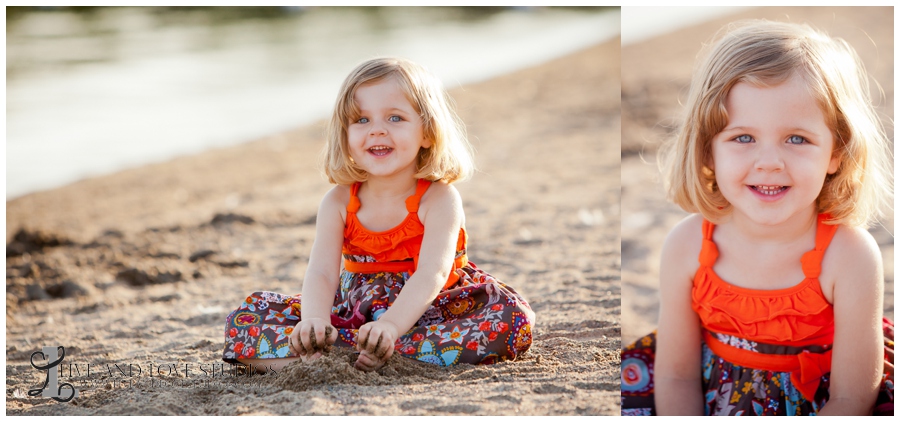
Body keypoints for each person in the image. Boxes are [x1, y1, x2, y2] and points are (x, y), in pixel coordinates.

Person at [620, 20, 893, 415]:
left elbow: (852, 398)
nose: (769, 163)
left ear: (836, 152)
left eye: (797, 138)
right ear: (708, 150)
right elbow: (676, 377)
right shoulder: (687, 245)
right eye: (743, 138)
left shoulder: (849, 256)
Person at [222, 57, 535, 372]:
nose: (377, 131)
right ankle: (335, 356)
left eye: (395, 118)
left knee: (511, 319)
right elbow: (321, 274)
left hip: (428, 312)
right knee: (244, 320)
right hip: (351, 315)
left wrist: (390, 327)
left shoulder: (439, 199)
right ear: (344, 133)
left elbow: (432, 274)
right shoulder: (338, 202)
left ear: (427, 132)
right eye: (361, 120)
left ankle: (384, 351)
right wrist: (314, 323)